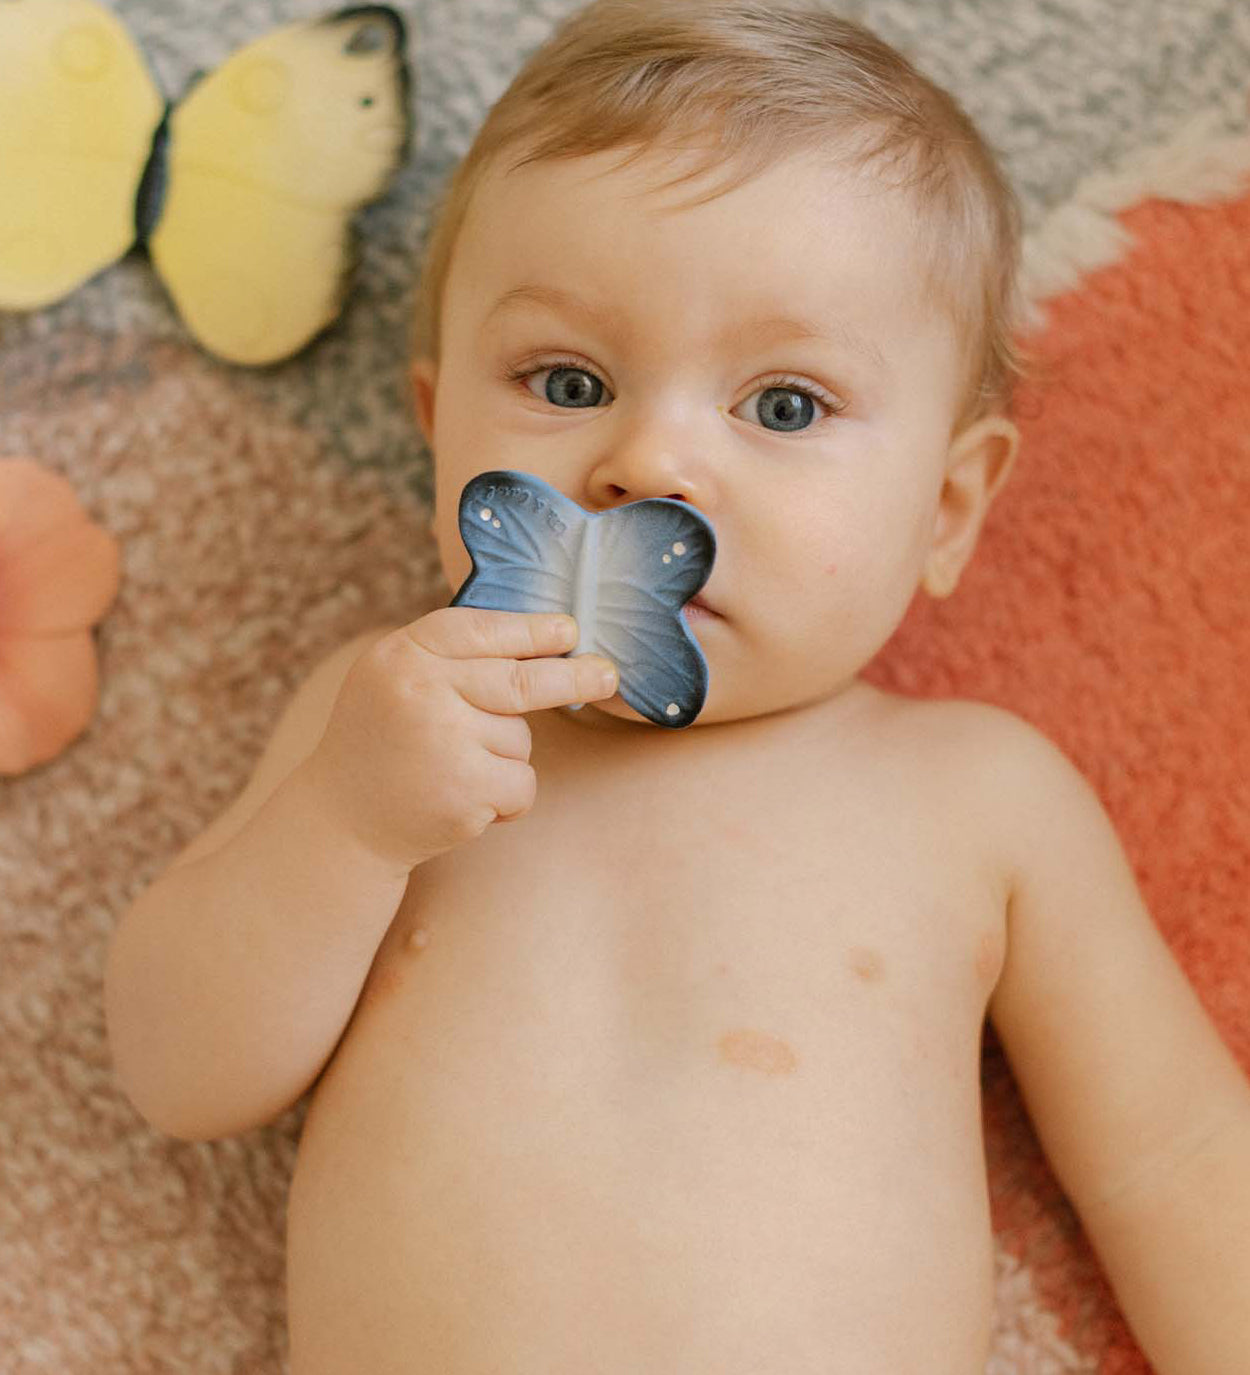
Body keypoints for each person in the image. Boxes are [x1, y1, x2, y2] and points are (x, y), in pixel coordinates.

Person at [103, 2, 1250, 1370]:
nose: (648, 463)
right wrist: (346, 826)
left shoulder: (975, 796)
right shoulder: (391, 721)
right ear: (436, 432)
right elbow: (178, 1076)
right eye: (566, 378)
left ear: (945, 509)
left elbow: (1172, 1157)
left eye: (781, 406)